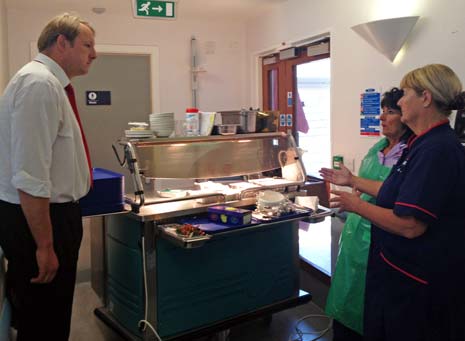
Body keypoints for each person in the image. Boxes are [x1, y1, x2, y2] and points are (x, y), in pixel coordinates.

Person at [320, 64, 465, 341]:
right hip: (396, 275)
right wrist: (354, 181)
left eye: (405, 94)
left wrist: (356, 205)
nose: (398, 101)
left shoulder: (436, 150)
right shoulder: (421, 145)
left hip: (417, 285)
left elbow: (410, 225)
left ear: (425, 98)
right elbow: (395, 190)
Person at [0, 13, 97, 340]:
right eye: (87, 45)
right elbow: (30, 175)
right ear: (61, 43)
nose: (94, 54)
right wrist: (44, 244)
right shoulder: (38, 84)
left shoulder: (50, 84)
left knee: (48, 313)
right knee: (45, 320)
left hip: (50, 216)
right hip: (41, 220)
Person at [324, 88, 412, 340]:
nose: (383, 117)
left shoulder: (411, 155)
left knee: (372, 312)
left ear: (406, 115)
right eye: (382, 111)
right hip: (355, 237)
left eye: (391, 112)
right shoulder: (377, 150)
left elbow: (398, 197)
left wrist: (356, 192)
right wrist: (349, 194)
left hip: (384, 239)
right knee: (346, 302)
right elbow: (360, 190)